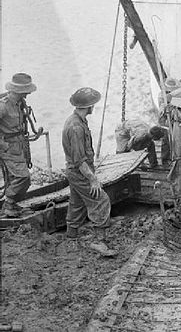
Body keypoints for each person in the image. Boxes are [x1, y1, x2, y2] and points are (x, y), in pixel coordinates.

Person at [62, 87, 116, 256]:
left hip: (75, 171)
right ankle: (99, 241)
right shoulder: (76, 127)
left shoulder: (77, 121)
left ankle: (71, 235)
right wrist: (93, 179)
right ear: (89, 106)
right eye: (93, 104)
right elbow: (79, 160)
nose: (94, 106)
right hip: (79, 172)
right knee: (101, 200)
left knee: (77, 202)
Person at [0, 73, 41, 218]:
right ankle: (8, 203)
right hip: (8, 148)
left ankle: (11, 205)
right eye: (26, 90)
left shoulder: (19, 103)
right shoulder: (3, 106)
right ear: (18, 90)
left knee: (15, 178)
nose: (29, 93)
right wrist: (3, 145)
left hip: (18, 146)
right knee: (23, 177)